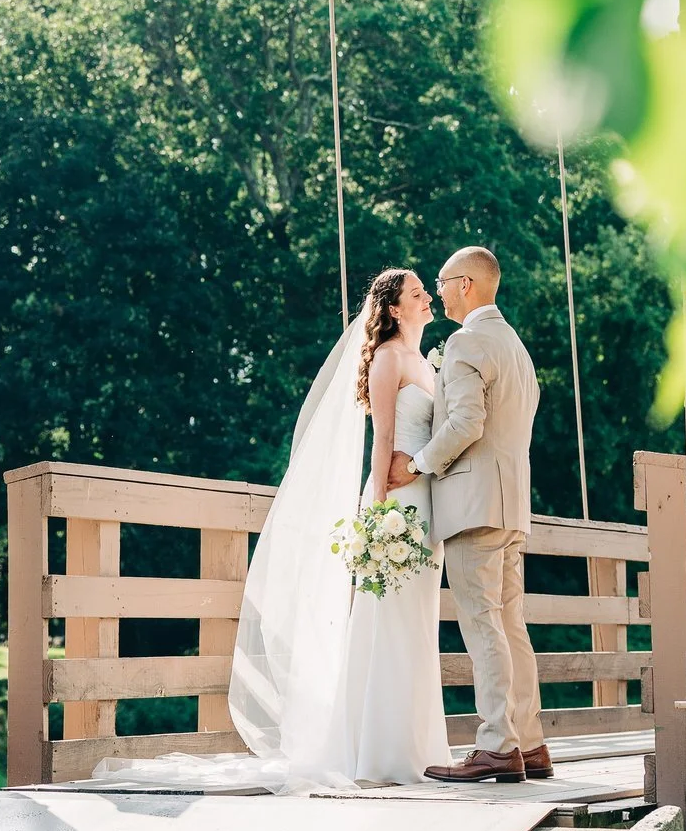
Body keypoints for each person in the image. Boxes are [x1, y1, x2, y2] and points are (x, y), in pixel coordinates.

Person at [227, 268, 451, 787]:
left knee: (417, 625)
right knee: (386, 624)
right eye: (418, 292)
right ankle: (377, 752)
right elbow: (382, 440)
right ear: (395, 309)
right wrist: (376, 520)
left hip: (427, 507)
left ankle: (418, 748)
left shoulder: (426, 361)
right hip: (396, 506)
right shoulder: (388, 359)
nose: (426, 297)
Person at [387, 245, 549, 783]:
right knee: (510, 626)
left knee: (482, 627)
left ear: (466, 285)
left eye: (441, 281)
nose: (436, 291)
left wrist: (417, 464)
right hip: (511, 508)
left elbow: (465, 423)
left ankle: (498, 746)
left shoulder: (466, 341)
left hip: (473, 505)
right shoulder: (515, 346)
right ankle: (530, 744)